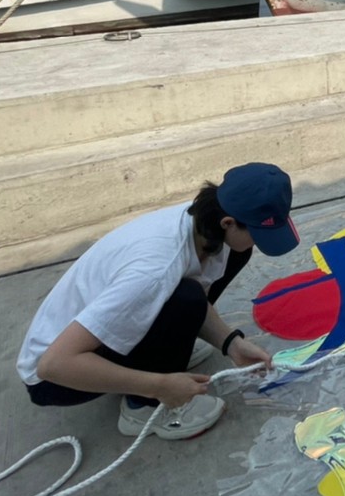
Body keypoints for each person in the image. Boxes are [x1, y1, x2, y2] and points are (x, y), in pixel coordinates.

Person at [16, 162, 300, 440]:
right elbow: (53, 365)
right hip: (56, 379)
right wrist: (160, 386)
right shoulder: (154, 270)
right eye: (258, 233)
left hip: (93, 340)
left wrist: (231, 343)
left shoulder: (202, 225)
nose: (259, 243)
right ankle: (142, 409)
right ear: (228, 222)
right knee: (185, 296)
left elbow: (197, 293)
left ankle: (163, 351)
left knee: (233, 255)